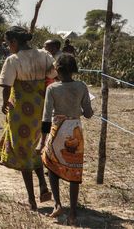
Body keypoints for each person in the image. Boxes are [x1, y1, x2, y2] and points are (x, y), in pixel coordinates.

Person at [0, 26, 56, 210]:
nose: (8, 47)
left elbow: (6, 85)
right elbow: (53, 74)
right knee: (36, 146)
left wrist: (5, 103)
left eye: (8, 44)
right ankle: (43, 185)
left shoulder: (13, 60)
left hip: (20, 109)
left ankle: (31, 200)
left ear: (14, 42)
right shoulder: (44, 54)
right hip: (40, 106)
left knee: (23, 150)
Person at [39, 54, 93, 225]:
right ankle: (73, 213)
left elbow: (46, 117)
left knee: (51, 164)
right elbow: (88, 113)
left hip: (57, 130)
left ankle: (57, 204)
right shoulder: (81, 86)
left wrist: (42, 141)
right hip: (75, 130)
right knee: (74, 170)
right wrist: (83, 111)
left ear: (58, 69)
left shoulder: (52, 88)